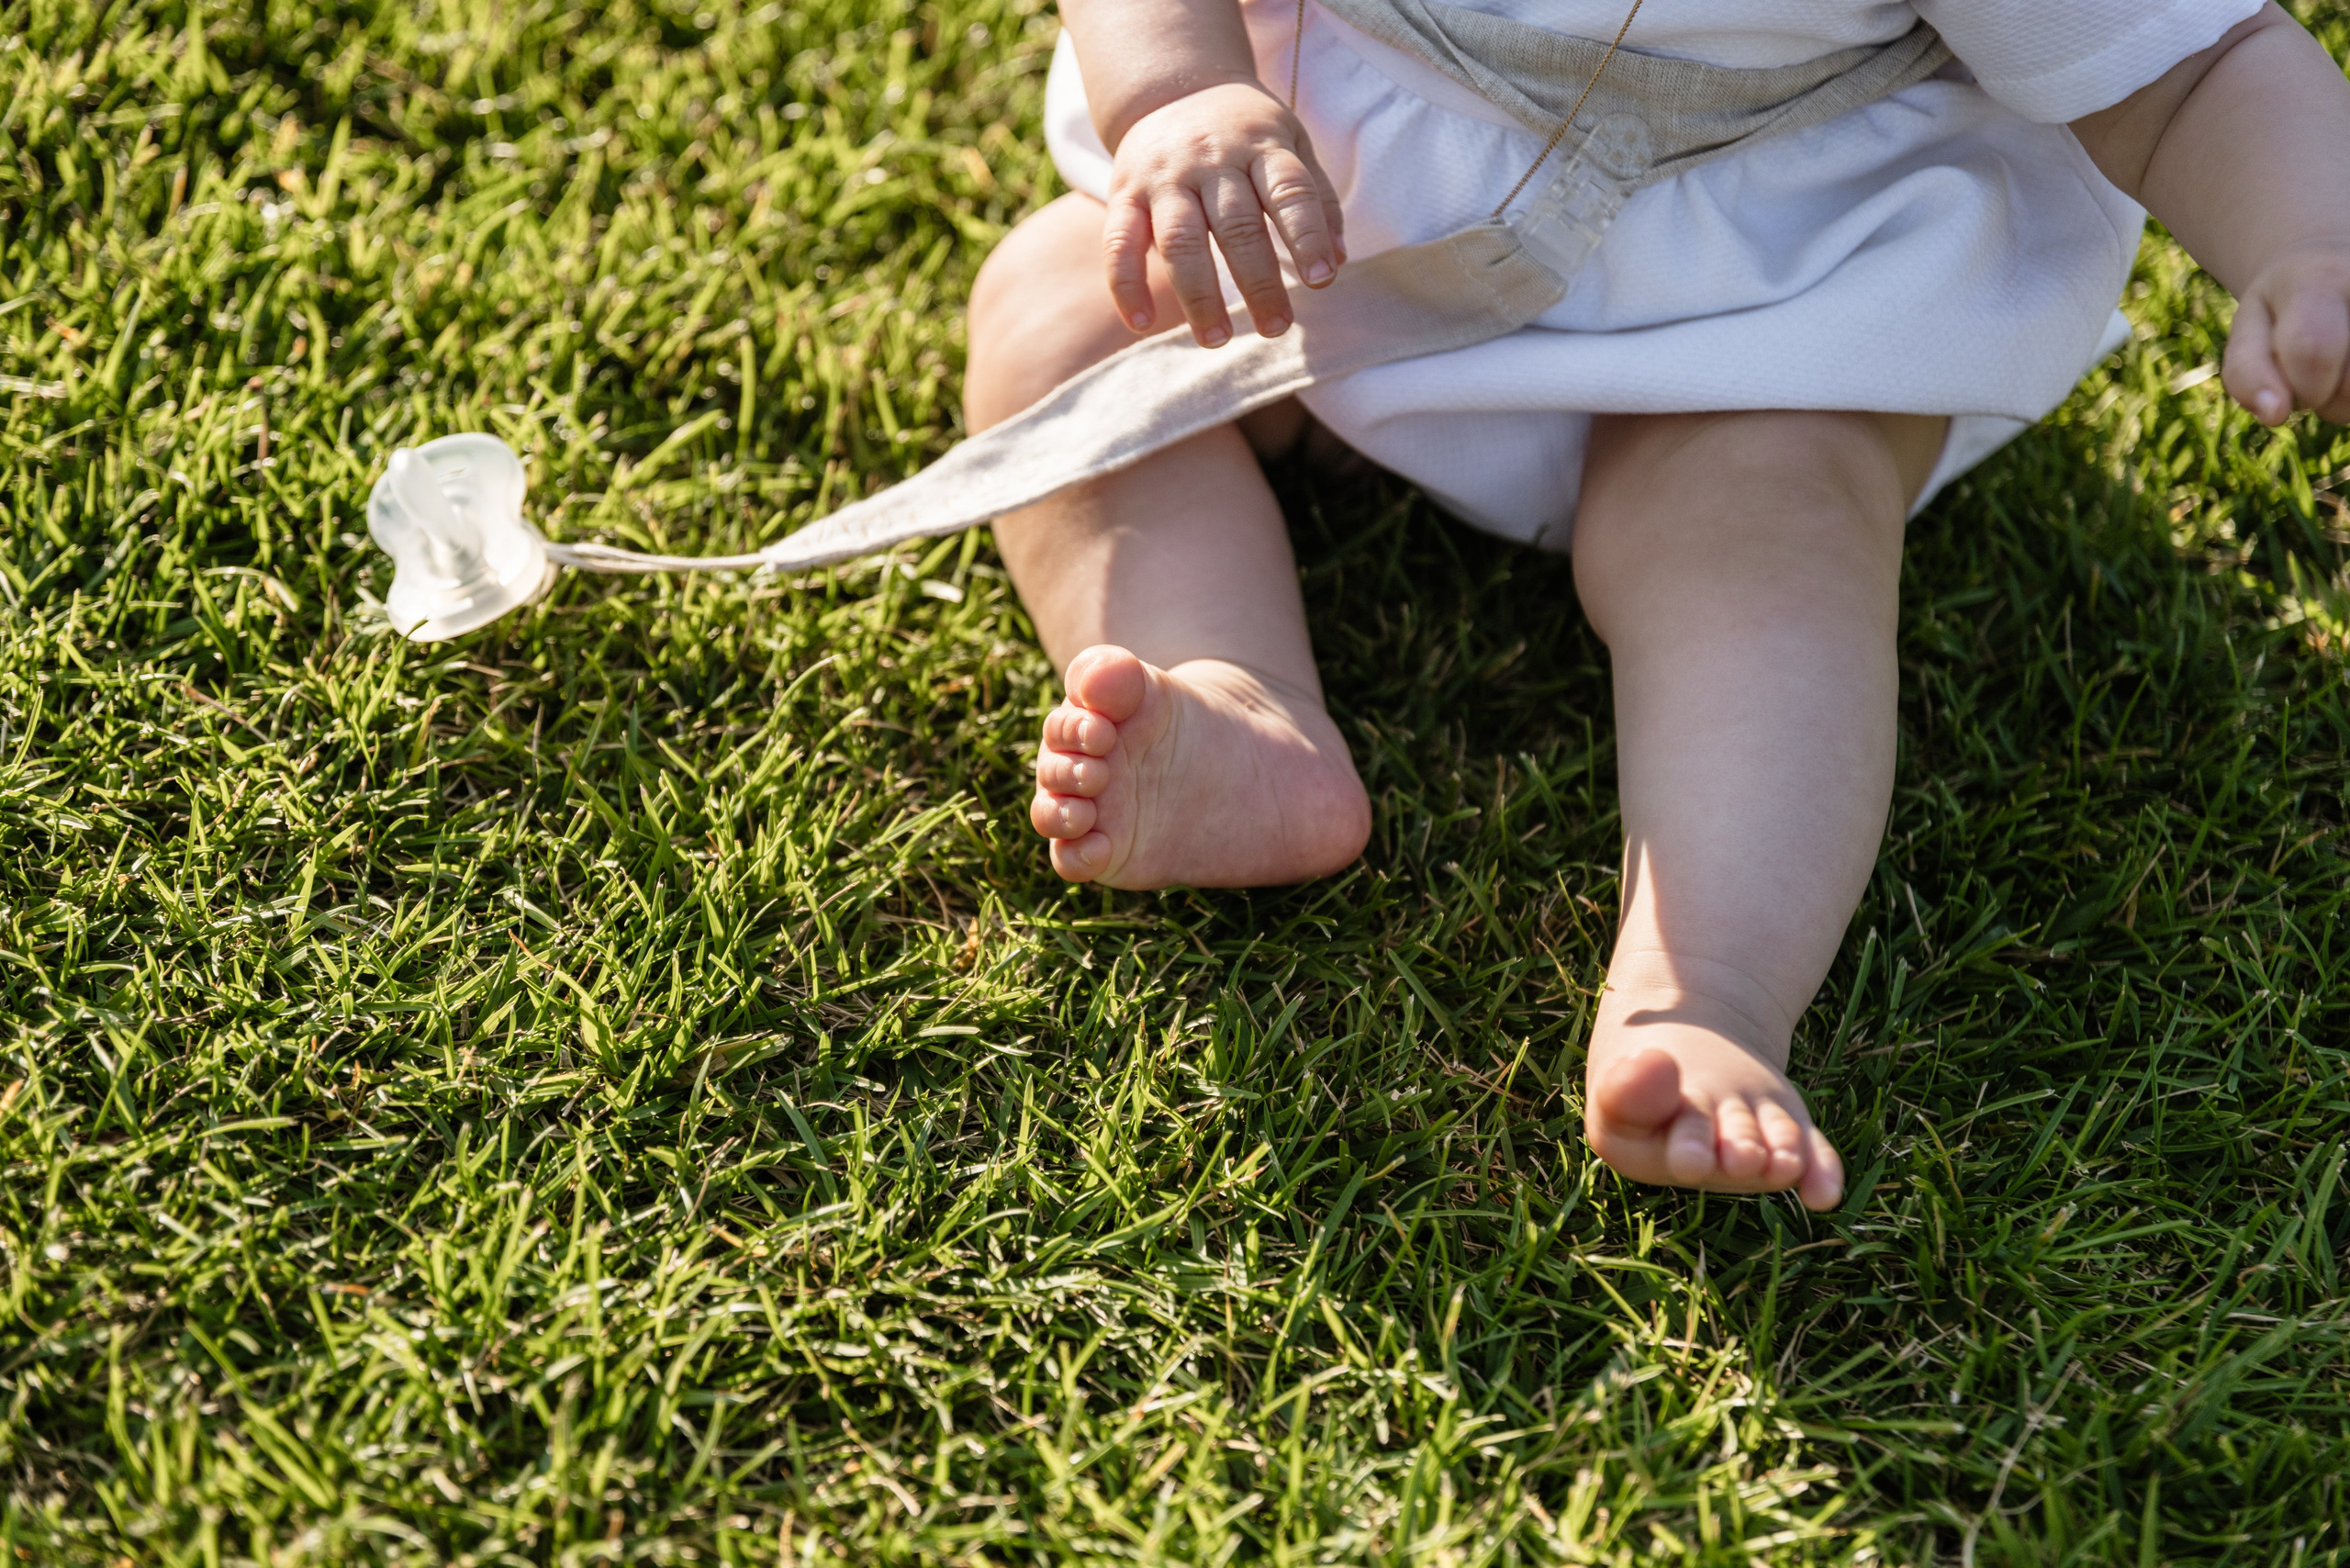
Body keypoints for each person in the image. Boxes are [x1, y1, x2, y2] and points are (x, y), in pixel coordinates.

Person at [960, 0, 2350, 1210]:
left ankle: (1708, 991)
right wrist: (1183, 93)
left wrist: (2308, 239)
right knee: (1058, 315)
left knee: (1762, 530)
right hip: (1344, 236)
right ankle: (1229, 688)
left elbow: (2196, 64)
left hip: (1765, 306)